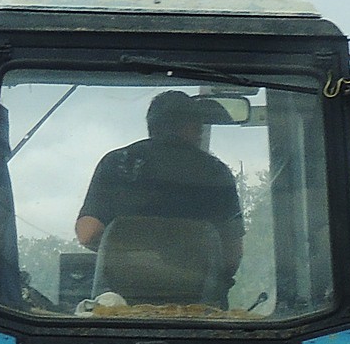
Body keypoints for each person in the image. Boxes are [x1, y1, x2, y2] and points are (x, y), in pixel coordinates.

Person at [75, 91, 243, 304]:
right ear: (194, 127)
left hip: (119, 311)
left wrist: (130, 256)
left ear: (152, 126)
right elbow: (231, 255)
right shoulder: (216, 173)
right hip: (200, 314)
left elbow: (88, 233)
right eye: (199, 126)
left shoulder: (117, 163)